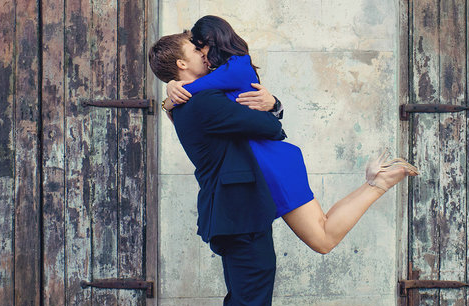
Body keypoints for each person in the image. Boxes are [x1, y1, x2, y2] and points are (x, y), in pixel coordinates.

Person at [163, 15, 417, 255]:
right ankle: (376, 182)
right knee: (322, 228)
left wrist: (172, 94)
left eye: (200, 48)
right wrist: (172, 93)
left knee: (322, 239)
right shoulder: (226, 73)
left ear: (211, 42)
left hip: (269, 163)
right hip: (269, 160)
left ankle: (378, 184)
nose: (202, 56)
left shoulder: (232, 68)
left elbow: (198, 92)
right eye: (195, 50)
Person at [149, 32, 289, 306]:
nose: (205, 52)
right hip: (239, 216)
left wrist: (270, 103)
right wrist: (271, 107)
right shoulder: (204, 103)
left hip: (229, 215)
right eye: (196, 49)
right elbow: (270, 128)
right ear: (180, 65)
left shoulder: (189, 101)